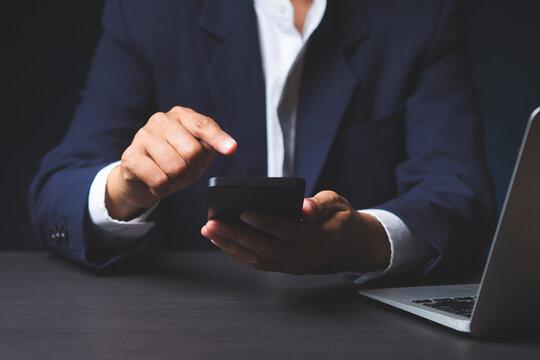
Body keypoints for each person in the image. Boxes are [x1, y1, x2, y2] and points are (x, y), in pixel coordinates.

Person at [29, 0, 496, 282]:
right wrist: (126, 187)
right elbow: (58, 190)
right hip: (178, 324)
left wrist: (367, 241)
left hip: (357, 322)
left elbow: (461, 196)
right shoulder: (149, 11)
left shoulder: (422, 15)